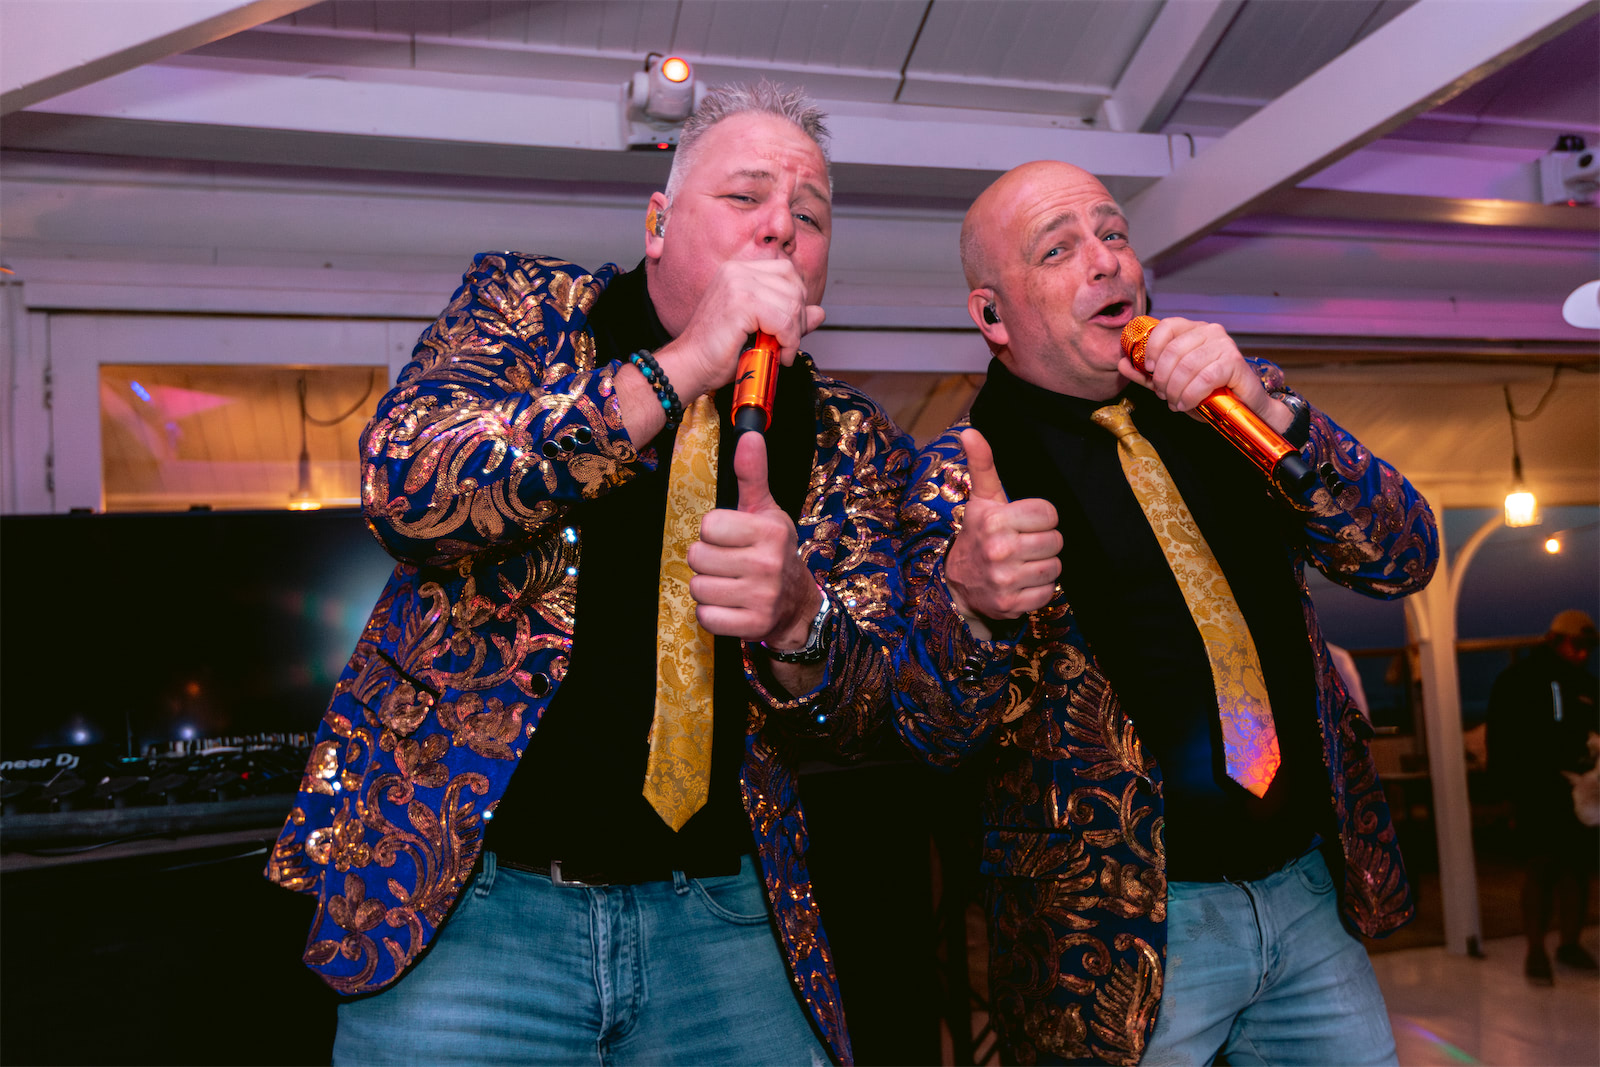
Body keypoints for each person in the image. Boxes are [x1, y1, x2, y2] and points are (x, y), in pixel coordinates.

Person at [265, 83, 913, 1066]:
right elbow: (408, 484)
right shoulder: (525, 308)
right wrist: (682, 365)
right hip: (472, 913)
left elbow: (879, 711)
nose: (782, 225)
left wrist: (798, 619)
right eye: (745, 196)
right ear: (657, 224)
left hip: (723, 918)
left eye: (811, 215)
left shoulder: (846, 435)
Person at [892, 160, 1439, 1066]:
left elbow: (1403, 555)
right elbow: (929, 730)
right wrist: (971, 607)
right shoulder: (957, 477)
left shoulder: (1227, 403)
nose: (1105, 260)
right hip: (1121, 939)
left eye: (1113, 233)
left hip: (1306, 892)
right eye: (1058, 249)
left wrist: (1266, 405)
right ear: (992, 315)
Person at [1486, 609, 1600, 985]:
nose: (1583, 653)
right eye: (1577, 644)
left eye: (1588, 647)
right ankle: (1535, 950)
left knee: (1577, 869)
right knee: (1541, 867)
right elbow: (1500, 738)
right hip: (1536, 789)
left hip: (1581, 790)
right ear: (1555, 640)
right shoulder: (1519, 680)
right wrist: (1505, 794)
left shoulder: (1586, 684)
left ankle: (1570, 944)